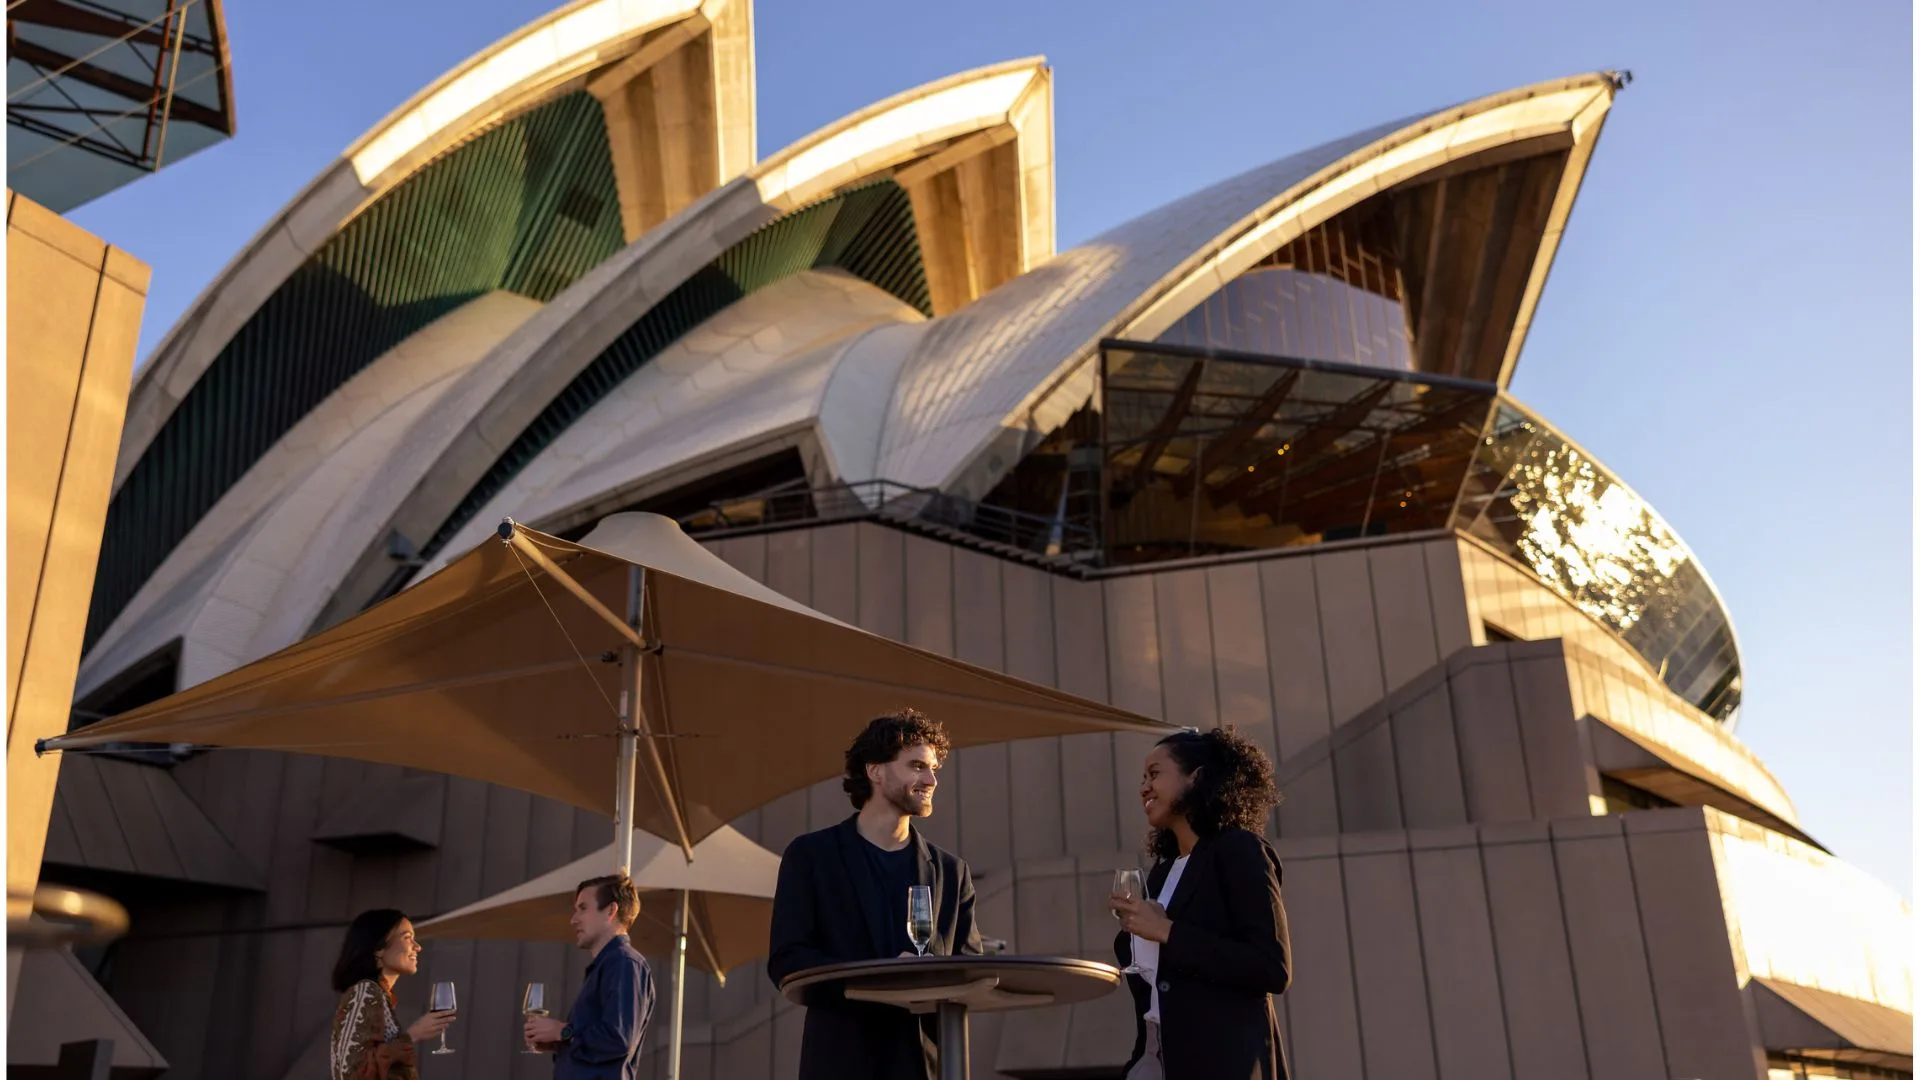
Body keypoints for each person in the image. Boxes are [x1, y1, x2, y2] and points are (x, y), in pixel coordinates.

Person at [768, 708, 984, 1080]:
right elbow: (789, 961)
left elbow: (970, 970)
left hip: (924, 1068)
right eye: (917, 766)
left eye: (934, 769)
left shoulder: (952, 871)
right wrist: (882, 979)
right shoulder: (811, 857)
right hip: (841, 1063)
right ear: (875, 771)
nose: (931, 779)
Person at [1108, 727, 1291, 1080]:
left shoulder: (1239, 849)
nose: (1144, 786)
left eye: (1155, 774)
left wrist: (1166, 931)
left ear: (1197, 777)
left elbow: (1271, 966)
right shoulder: (1160, 876)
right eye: (1143, 777)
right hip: (1158, 1061)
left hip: (1224, 1064)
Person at [522, 875, 656, 1079]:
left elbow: (618, 1039)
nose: (573, 919)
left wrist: (563, 1032)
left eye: (583, 908)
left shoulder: (624, 963)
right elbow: (599, 1043)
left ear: (611, 911)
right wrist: (559, 1042)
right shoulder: (611, 964)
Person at [328, 908, 455, 1080]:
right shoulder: (365, 992)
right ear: (378, 948)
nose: (417, 947)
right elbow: (350, 1072)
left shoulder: (379, 995)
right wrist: (414, 1033)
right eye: (407, 938)